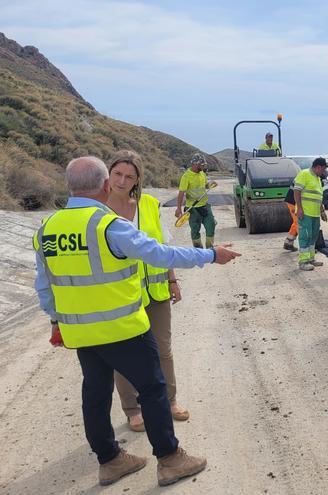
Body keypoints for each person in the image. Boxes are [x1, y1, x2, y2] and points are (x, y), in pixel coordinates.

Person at [34, 156, 241, 486]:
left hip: (81, 333)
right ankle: (171, 459)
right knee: (154, 389)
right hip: (122, 328)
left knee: (96, 395)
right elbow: (161, 254)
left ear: (69, 185)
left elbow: (45, 286)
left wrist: (57, 322)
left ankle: (110, 461)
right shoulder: (107, 226)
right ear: (104, 184)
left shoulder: (47, 229)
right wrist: (211, 255)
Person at [105, 150, 190, 432]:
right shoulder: (99, 208)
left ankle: (170, 401)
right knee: (124, 356)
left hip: (155, 293)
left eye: (129, 176)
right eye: (117, 174)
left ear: (137, 179)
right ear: (108, 174)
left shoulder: (150, 205)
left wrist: (172, 280)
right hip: (121, 297)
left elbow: (162, 248)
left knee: (162, 351)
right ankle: (132, 410)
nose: (121, 180)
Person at [175, 154, 217, 248]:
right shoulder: (186, 176)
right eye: (202, 165)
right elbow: (181, 193)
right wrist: (178, 208)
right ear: (195, 164)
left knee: (211, 225)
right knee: (195, 231)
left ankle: (210, 249)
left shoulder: (202, 173)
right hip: (192, 209)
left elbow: (205, 186)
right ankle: (199, 251)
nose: (203, 166)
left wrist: (211, 185)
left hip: (205, 206)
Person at [293, 157, 328, 270]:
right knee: (305, 236)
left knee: (313, 236)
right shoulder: (304, 174)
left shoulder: (317, 178)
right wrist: (299, 208)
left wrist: (322, 211)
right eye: (323, 170)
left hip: (315, 214)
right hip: (305, 213)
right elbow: (297, 191)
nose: (323, 172)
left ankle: (311, 259)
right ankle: (303, 261)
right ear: (318, 167)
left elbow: (317, 196)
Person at [283, 177, 299, 252]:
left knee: (296, 223)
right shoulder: (306, 177)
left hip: (293, 201)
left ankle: (288, 242)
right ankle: (304, 247)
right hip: (293, 202)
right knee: (299, 223)